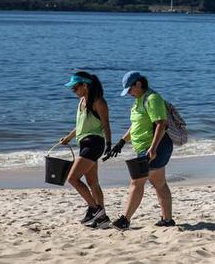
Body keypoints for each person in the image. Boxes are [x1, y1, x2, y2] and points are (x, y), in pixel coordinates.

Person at [104, 71, 175, 230]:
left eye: (130, 89)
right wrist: (122, 142)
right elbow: (136, 126)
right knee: (159, 183)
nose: (129, 93)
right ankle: (167, 220)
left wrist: (153, 148)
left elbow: (161, 124)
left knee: (137, 182)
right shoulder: (139, 100)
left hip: (154, 147)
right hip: (147, 147)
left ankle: (125, 220)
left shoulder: (152, 98)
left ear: (138, 83)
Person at [60, 71, 112, 228]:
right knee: (92, 182)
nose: (73, 91)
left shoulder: (98, 101)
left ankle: (94, 209)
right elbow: (80, 125)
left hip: (94, 143)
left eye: (75, 87)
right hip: (84, 143)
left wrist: (109, 144)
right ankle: (102, 218)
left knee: (72, 178)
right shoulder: (82, 101)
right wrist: (68, 138)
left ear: (85, 85)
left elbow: (105, 124)